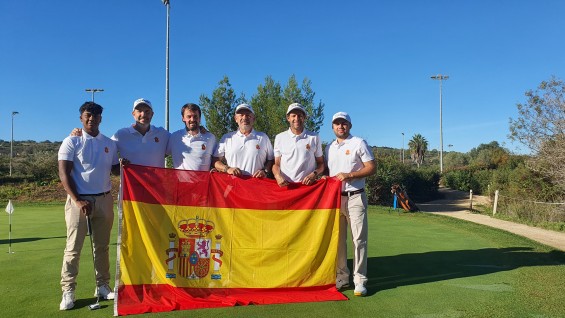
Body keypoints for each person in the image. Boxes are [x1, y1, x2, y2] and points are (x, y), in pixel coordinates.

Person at [57, 102, 120, 310]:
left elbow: (115, 171)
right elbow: (64, 174)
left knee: (101, 247)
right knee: (73, 248)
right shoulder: (71, 141)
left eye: (95, 116)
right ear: (81, 118)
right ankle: (68, 291)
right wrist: (77, 200)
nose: (91, 119)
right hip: (79, 201)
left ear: (101, 118)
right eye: (87, 116)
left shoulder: (110, 143)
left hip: (104, 199)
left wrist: (126, 165)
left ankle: (102, 286)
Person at [325, 112, 376, 297]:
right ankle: (342, 276)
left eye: (344, 123)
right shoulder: (328, 148)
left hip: (355, 197)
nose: (340, 127)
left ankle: (360, 279)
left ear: (350, 125)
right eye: (337, 124)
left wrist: (350, 175)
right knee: (338, 241)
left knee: (358, 240)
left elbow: (371, 167)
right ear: (332, 127)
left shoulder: (358, 143)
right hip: (335, 199)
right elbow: (327, 171)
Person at [213, 103, 274, 177]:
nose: (245, 118)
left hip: (256, 186)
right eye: (241, 115)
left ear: (253, 119)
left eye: (248, 115)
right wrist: (227, 169)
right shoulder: (226, 138)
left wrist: (265, 171)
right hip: (233, 185)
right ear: (236, 119)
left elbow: (271, 160)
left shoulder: (263, 137)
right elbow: (215, 160)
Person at [272, 103, 324, 187]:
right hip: (287, 187)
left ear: (304, 118)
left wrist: (314, 174)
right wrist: (277, 176)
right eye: (293, 116)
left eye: (299, 115)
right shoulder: (279, 137)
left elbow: (321, 164)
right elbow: (276, 165)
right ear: (288, 118)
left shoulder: (314, 137)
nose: (297, 118)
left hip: (308, 188)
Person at [111, 98, 169, 167]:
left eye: (147, 111)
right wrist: (118, 164)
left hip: (156, 178)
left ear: (152, 114)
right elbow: (106, 150)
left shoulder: (162, 134)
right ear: (133, 114)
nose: (143, 114)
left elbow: (178, 146)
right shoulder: (121, 135)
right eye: (139, 111)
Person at [167, 103, 217, 171]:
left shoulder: (210, 138)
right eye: (189, 116)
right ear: (183, 118)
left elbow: (216, 161)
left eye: (195, 116)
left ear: (199, 118)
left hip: (203, 181)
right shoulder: (174, 137)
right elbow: (158, 155)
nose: (192, 119)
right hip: (180, 181)